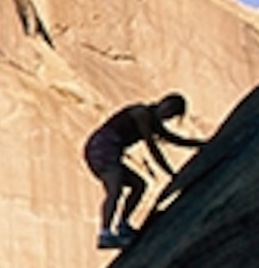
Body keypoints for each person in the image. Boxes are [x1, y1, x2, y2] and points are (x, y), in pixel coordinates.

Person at [84, 93, 206, 248]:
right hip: (103, 147)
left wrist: (199, 145)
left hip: (109, 149)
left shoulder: (152, 120)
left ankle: (123, 225)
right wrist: (170, 173)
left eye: (172, 114)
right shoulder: (141, 113)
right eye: (169, 108)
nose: (167, 114)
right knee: (115, 189)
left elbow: (171, 139)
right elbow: (152, 146)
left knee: (139, 185)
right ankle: (105, 233)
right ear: (163, 102)